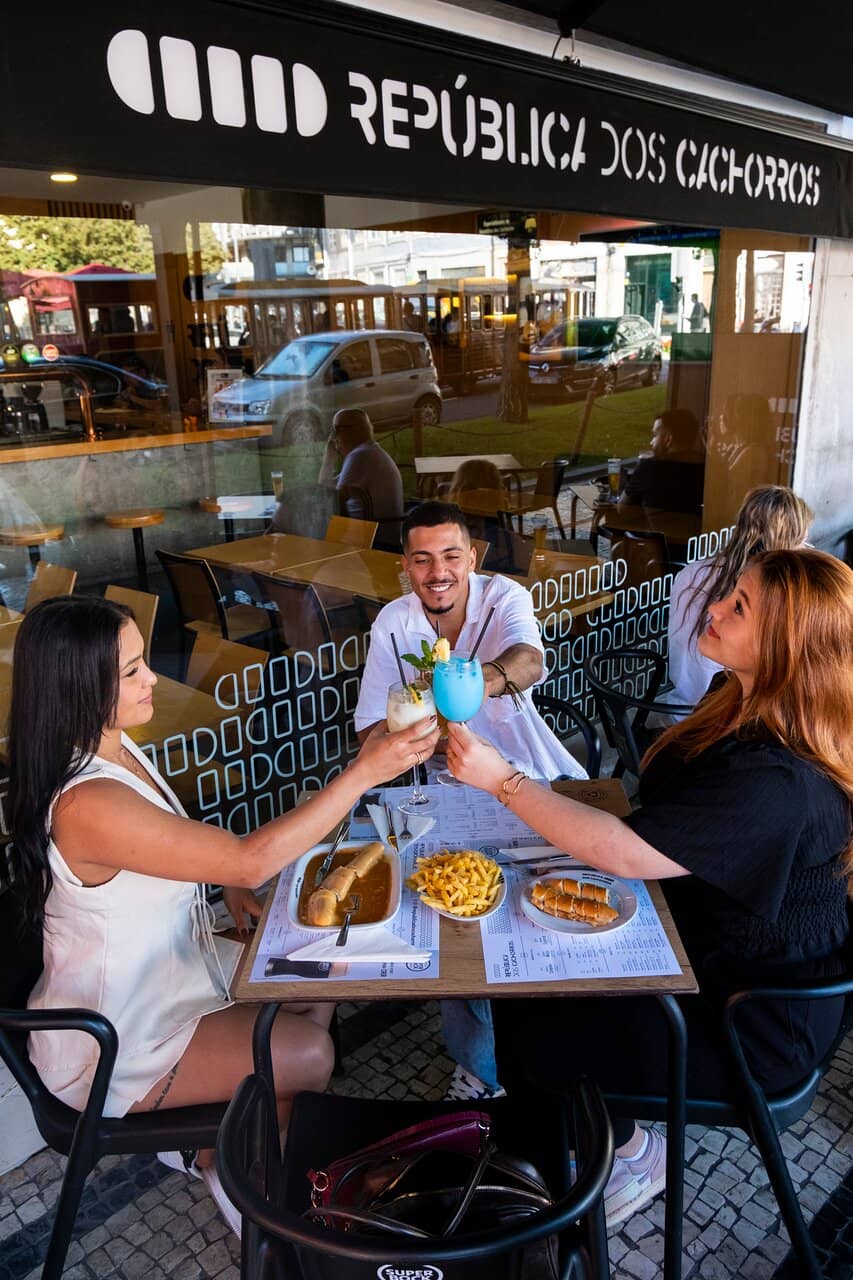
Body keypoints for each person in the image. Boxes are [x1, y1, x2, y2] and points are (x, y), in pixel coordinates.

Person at [446, 547, 852, 1225]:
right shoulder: (739, 702)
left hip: (749, 1022)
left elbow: (627, 852)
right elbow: (655, 831)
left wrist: (503, 782)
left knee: (533, 1023)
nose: (714, 608)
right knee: (527, 983)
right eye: (728, 593)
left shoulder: (776, 780)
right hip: (699, 951)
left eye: (739, 607)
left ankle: (630, 1155)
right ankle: (593, 1137)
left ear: (787, 646)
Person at [10, 596, 439, 1235]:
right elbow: (247, 859)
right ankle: (229, 1165)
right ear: (80, 687)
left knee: (326, 972)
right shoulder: (87, 801)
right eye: (131, 672)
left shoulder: (116, 747)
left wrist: (221, 882)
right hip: (117, 1037)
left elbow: (180, 849)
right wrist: (361, 774)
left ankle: (232, 1149)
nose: (153, 678)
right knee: (311, 1055)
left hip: (173, 974)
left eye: (142, 662)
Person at [354, 500, 587, 1101]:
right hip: (436, 791)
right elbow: (367, 732)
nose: (439, 572)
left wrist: (464, 685)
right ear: (405, 566)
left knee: (537, 916)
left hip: (521, 775)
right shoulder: (394, 623)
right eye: (423, 559)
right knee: (457, 916)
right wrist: (405, 736)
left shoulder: (502, 596)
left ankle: (554, 1054)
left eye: (451, 555)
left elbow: (529, 659)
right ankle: (479, 1068)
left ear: (472, 558)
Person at [667, 486, 813, 713]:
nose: (716, 609)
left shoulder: (692, 573)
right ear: (790, 542)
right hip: (721, 720)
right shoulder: (772, 599)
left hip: (678, 705)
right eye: (803, 542)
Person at [317, 407, 404, 539]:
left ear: (351, 430)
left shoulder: (360, 456)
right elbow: (326, 487)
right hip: (376, 535)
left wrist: (329, 457)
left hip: (373, 543)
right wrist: (330, 457)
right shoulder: (368, 452)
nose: (333, 437)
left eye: (335, 430)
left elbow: (330, 499)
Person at [619, 408, 705, 515]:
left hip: (657, 531)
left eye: (655, 435)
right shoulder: (706, 467)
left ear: (668, 439)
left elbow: (622, 510)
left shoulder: (649, 467)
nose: (651, 442)